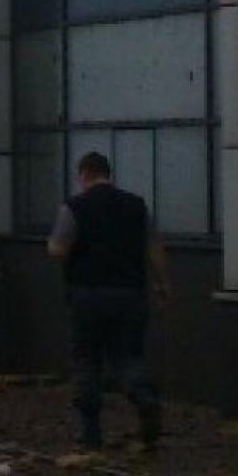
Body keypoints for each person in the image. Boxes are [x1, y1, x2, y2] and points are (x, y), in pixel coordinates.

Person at [47, 152, 171, 448]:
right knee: (128, 356)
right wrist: (162, 282)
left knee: (87, 360)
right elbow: (153, 246)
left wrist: (51, 244)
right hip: (130, 293)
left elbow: (59, 250)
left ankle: (91, 432)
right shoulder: (136, 205)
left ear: (84, 174)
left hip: (87, 294)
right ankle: (144, 396)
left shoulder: (74, 207)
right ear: (108, 173)